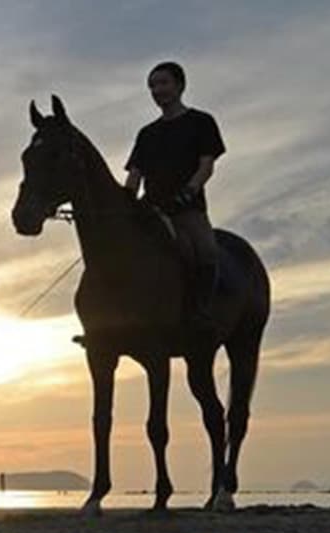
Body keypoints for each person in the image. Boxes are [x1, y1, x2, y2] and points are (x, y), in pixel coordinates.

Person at [123, 61, 226, 336]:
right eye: (152, 86)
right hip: (151, 209)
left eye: (163, 83)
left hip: (187, 208)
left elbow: (207, 164)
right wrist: (125, 201)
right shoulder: (147, 134)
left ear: (180, 85)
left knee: (206, 250)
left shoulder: (201, 122)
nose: (158, 90)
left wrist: (189, 191)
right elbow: (135, 173)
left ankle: (201, 311)